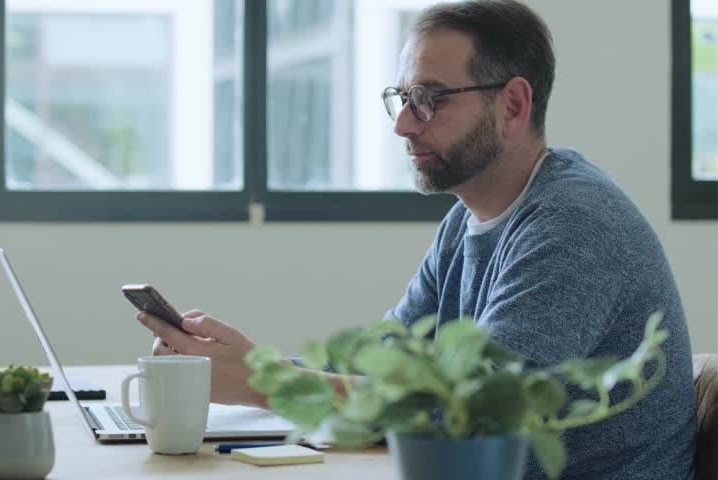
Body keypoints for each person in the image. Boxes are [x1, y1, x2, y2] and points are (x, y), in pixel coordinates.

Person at [136, 1, 697, 478]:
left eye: (429, 98)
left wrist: (266, 384)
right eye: (400, 97)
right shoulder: (467, 219)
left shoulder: (577, 223)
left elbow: (474, 413)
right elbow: (388, 361)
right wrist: (239, 364)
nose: (403, 123)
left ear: (513, 106)